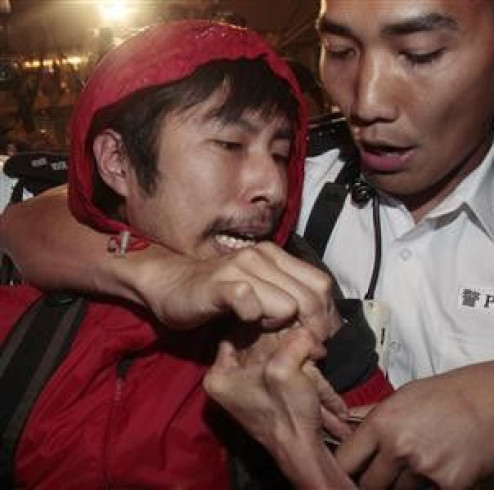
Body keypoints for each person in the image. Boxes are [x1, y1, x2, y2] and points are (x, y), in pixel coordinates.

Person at [1, 0, 494, 488]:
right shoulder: (286, 170)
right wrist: (163, 275)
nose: (367, 101)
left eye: (418, 52)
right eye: (341, 50)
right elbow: (43, 217)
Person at [0, 20, 392, 488]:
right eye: (229, 145)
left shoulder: (306, 338)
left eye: (281, 154)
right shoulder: (27, 325)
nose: (272, 186)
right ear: (117, 163)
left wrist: (339, 360)